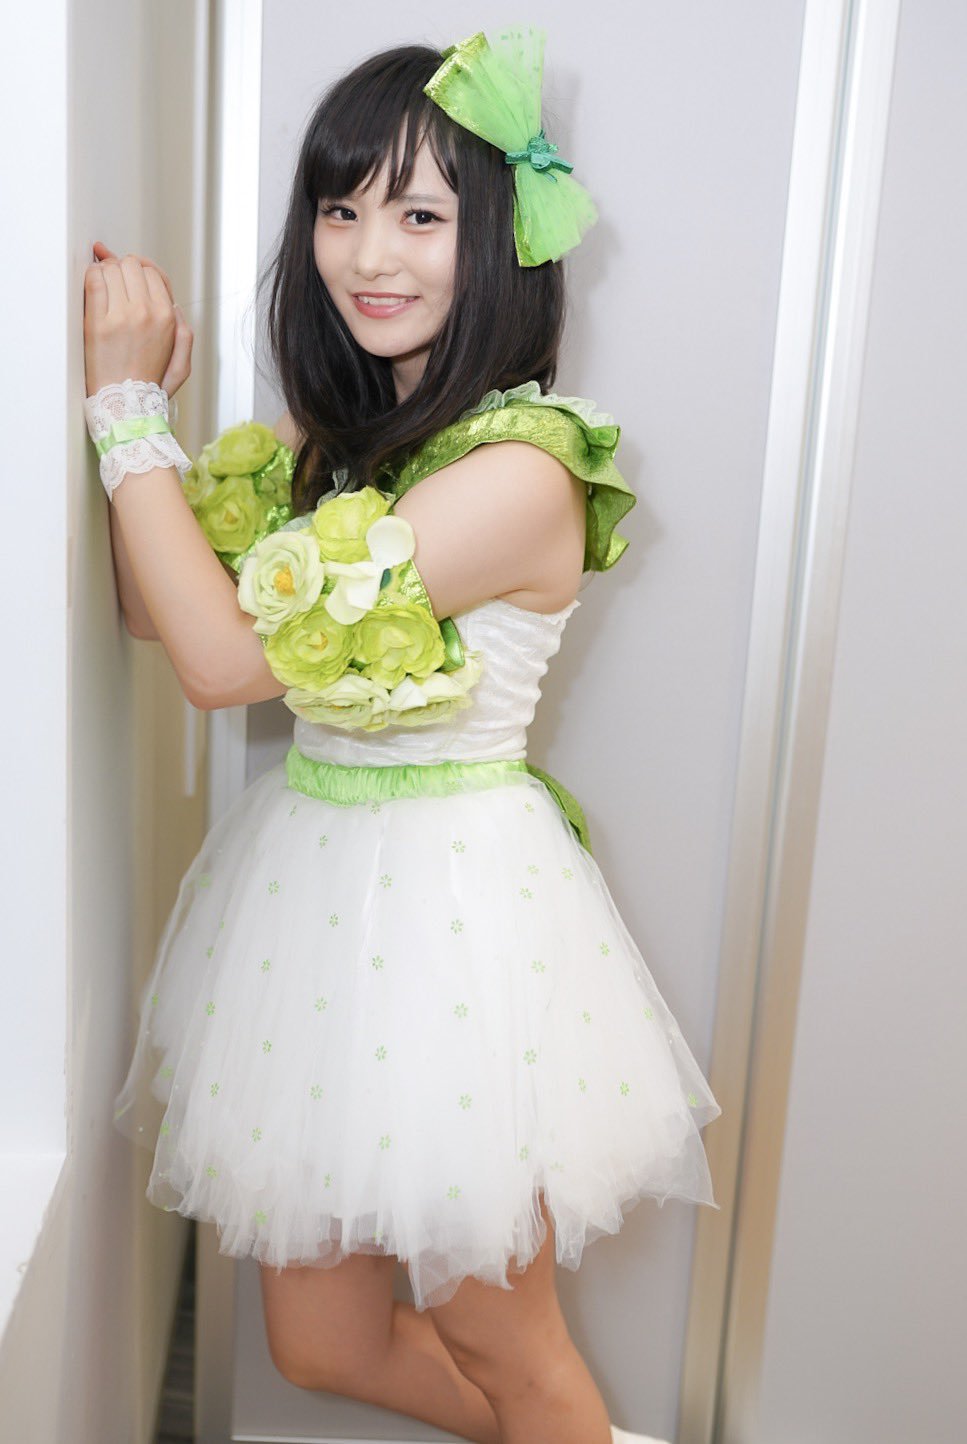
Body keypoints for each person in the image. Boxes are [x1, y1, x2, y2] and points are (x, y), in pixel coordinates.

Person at [84, 26, 721, 1444]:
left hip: (454, 927)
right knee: (322, 1343)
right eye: (341, 208)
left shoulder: (522, 470)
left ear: (498, 243)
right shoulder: (345, 446)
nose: (370, 254)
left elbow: (221, 665)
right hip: (316, 906)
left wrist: (123, 411)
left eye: (421, 216)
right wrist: (156, 431)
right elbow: (149, 607)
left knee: (513, 1348)